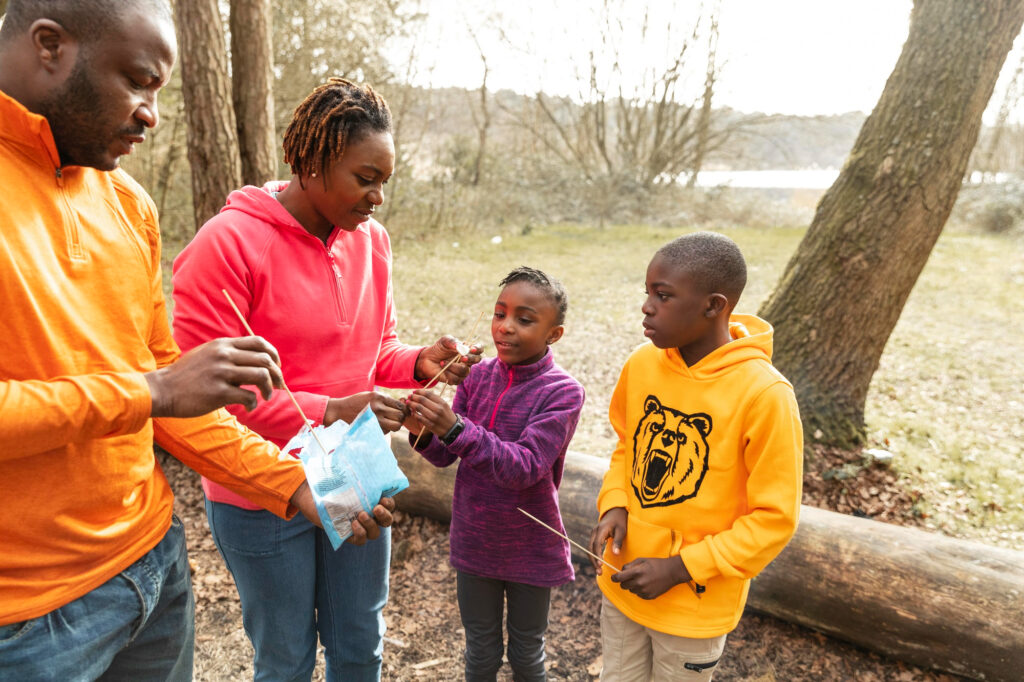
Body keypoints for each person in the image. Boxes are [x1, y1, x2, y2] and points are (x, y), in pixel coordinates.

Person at [0, 1, 392, 680]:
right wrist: (153, 390)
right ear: (49, 45)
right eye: (138, 81)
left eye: (158, 91)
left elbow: (175, 400)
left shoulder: (128, 205)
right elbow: (160, 389)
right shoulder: (229, 240)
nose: (151, 114)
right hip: (28, 619)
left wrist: (295, 484)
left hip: (153, 571)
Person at [170, 77, 481, 682]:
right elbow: (209, 397)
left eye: (384, 181)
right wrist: (335, 407)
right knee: (285, 657)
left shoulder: (373, 242)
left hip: (356, 467)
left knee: (359, 644)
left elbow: (374, 348)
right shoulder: (227, 246)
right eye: (366, 178)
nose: (377, 199)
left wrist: (417, 361)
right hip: (261, 485)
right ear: (311, 162)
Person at [588, 232, 803, 681]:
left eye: (663, 296)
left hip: (695, 610)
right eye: (647, 293)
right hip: (623, 585)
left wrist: (680, 568)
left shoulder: (765, 395)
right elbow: (628, 447)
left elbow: (773, 520)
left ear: (713, 305)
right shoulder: (642, 365)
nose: (647, 307)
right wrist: (615, 503)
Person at [405, 266, 586, 682]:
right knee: (481, 652)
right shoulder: (478, 377)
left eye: (524, 319)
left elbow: (524, 467)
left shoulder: (562, 392)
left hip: (530, 546)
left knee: (526, 655)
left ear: (553, 334)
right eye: (499, 313)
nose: (504, 327)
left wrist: (453, 427)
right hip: (475, 541)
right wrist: (424, 432)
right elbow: (446, 457)